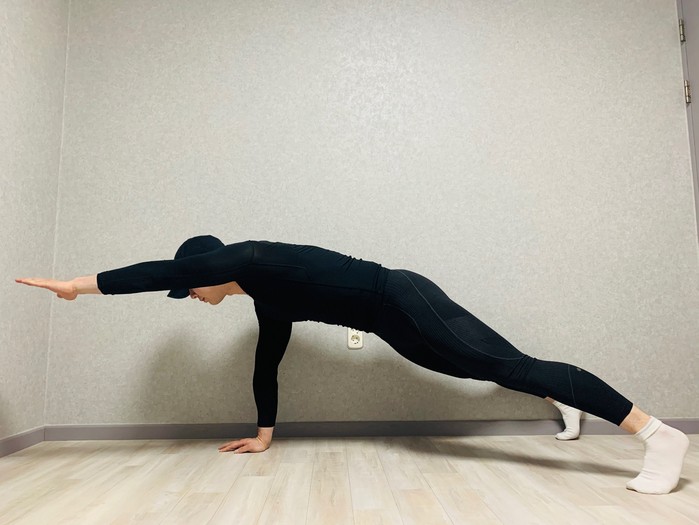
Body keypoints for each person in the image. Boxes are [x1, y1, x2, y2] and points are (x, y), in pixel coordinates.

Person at [15, 235, 689, 494]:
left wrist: (80, 285)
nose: (189, 296)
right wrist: (265, 434)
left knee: (505, 366)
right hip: (391, 321)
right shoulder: (267, 299)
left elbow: (163, 270)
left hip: (400, 297)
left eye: (189, 287)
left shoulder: (250, 258)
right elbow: (267, 362)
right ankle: (561, 396)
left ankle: (657, 435)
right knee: (494, 367)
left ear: (207, 270)